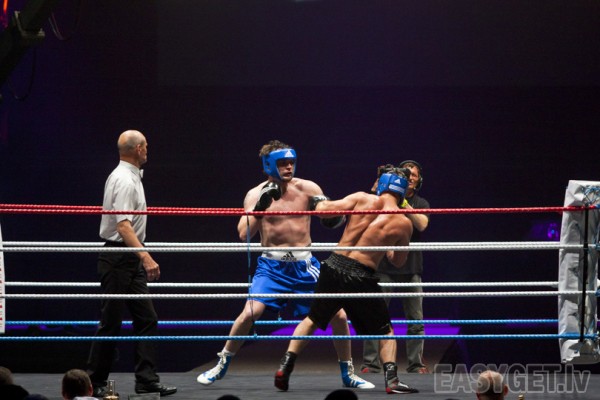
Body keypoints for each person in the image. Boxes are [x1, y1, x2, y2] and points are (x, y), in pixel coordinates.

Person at [197, 140, 373, 390]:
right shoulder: (255, 194)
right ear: (269, 165)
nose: (289, 167)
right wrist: (260, 208)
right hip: (271, 267)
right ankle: (221, 364)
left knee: (339, 315)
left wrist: (334, 215)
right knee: (249, 314)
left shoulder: (309, 188)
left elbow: (331, 214)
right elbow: (243, 234)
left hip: (305, 266)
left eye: (291, 162)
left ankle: (348, 373)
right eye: (283, 163)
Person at [273, 166, 419, 394]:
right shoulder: (403, 223)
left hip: (333, 265)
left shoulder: (361, 199)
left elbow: (324, 211)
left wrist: (318, 201)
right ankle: (392, 380)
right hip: (362, 274)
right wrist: (387, 247)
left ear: (382, 184)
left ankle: (285, 366)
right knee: (385, 331)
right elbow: (398, 261)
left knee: (312, 319)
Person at [86, 130, 176, 397]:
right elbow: (123, 226)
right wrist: (145, 256)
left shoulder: (131, 175)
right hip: (118, 257)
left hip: (129, 257)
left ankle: (146, 380)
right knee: (111, 322)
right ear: (138, 149)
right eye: (145, 145)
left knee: (147, 318)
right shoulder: (124, 179)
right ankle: (94, 381)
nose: (148, 149)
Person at [361, 160, 430, 374]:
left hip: (411, 268)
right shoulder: (384, 199)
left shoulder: (421, 202)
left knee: (416, 320)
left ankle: (416, 363)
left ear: (419, 180)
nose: (410, 178)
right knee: (376, 315)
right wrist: (380, 184)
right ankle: (370, 363)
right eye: (407, 175)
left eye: (414, 175)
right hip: (384, 267)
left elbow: (422, 224)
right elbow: (368, 209)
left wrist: (404, 204)